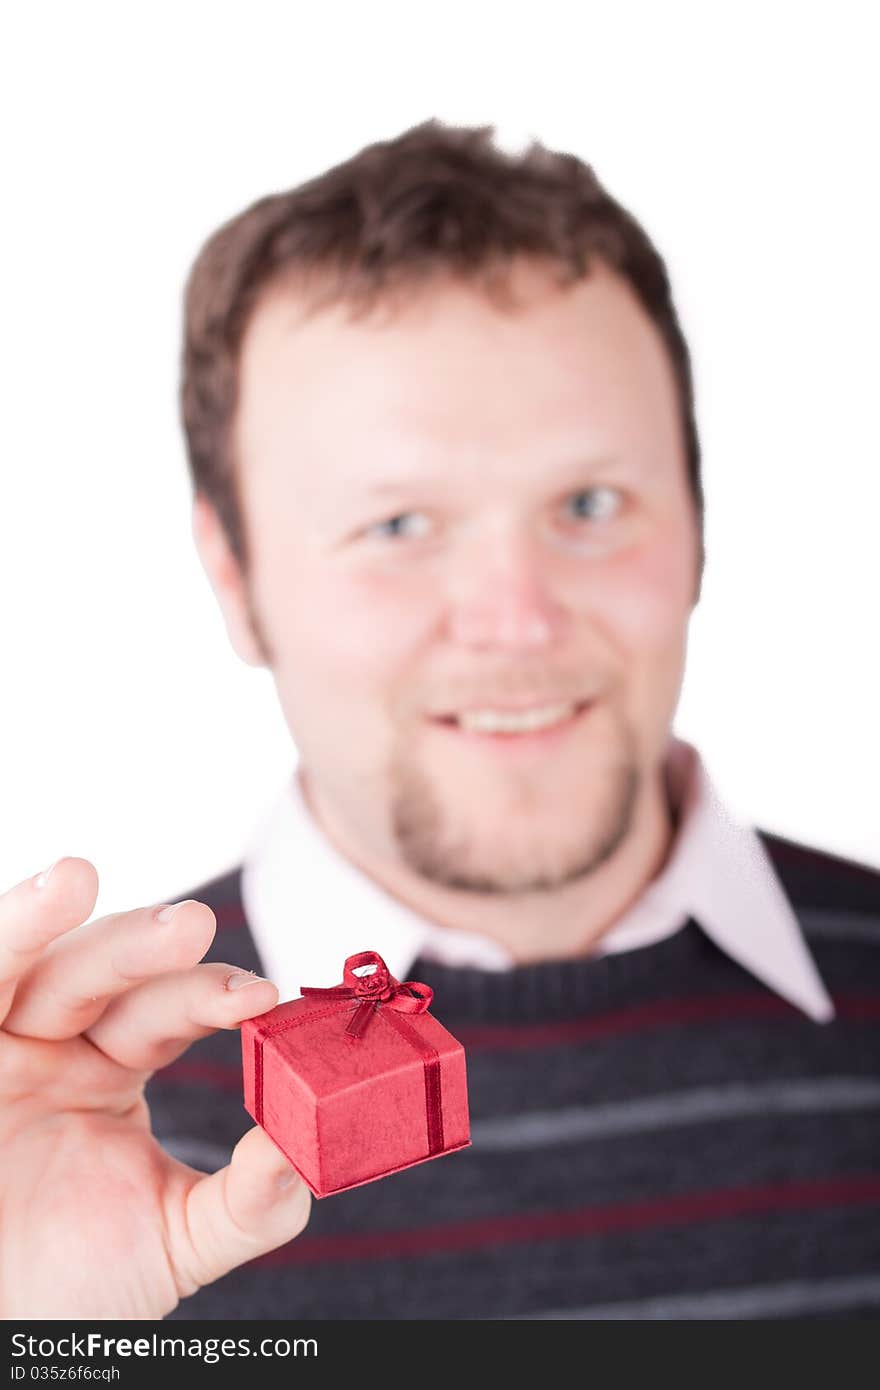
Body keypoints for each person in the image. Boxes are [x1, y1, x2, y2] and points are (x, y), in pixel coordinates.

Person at [2, 119, 878, 1322]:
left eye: (589, 499)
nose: (515, 622)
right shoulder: (84, 1136)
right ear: (234, 572)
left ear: (697, 519)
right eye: (398, 526)